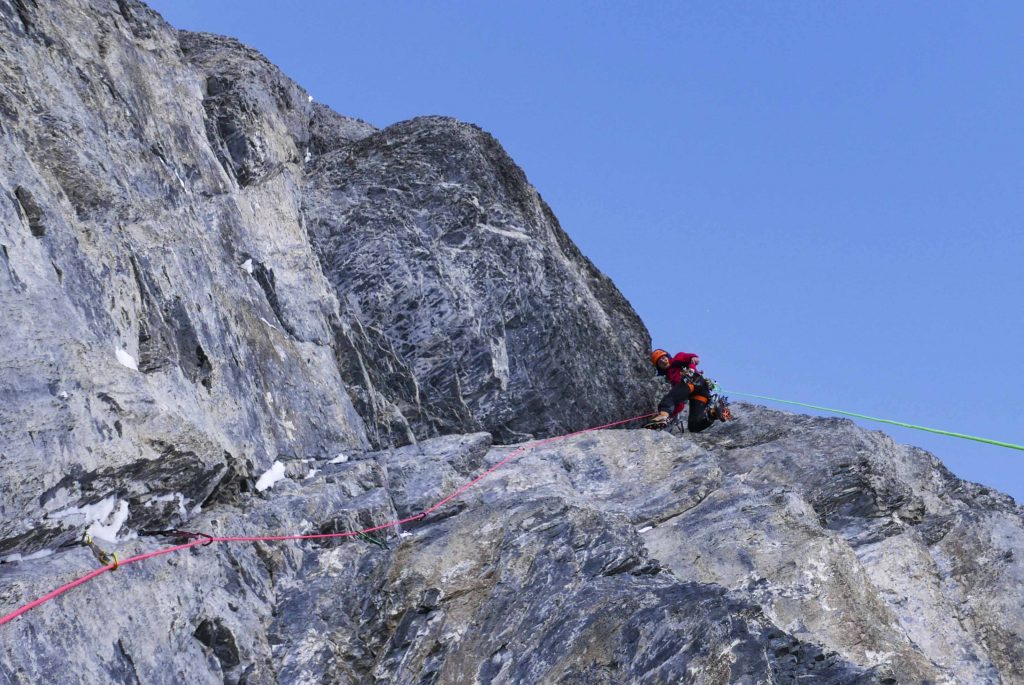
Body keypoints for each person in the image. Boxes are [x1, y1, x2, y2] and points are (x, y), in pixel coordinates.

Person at [645, 349, 731, 431]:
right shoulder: (670, 376)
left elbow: (685, 357)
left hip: (693, 382)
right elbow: (679, 404)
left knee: (668, 399)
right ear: (659, 367)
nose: (663, 361)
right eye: (660, 362)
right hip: (700, 393)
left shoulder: (675, 360)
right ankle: (713, 413)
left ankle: (663, 416)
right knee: (694, 426)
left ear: (667, 356)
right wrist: (670, 414)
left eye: (664, 358)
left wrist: (693, 358)